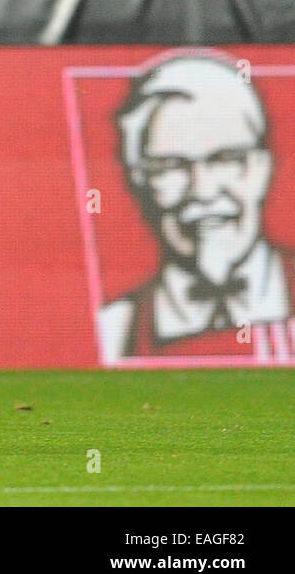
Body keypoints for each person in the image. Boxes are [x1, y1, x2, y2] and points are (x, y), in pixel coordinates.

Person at [99, 52, 294, 364]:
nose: (202, 191)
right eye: (171, 166)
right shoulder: (116, 329)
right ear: (140, 180)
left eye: (226, 159)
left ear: (262, 169)